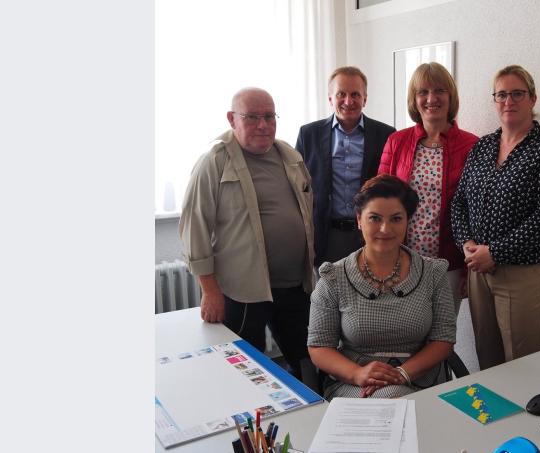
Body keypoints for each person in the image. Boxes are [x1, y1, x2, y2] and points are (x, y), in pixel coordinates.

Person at [179, 87, 315, 379]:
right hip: (242, 292)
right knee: (244, 369)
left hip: (293, 286)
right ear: (232, 119)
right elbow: (194, 229)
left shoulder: (290, 156)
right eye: (252, 117)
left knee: (306, 360)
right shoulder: (214, 161)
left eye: (269, 116)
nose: (263, 125)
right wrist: (210, 291)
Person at [451, 65, 540, 370]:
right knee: (487, 358)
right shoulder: (483, 146)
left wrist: (495, 252)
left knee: (523, 365)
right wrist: (466, 244)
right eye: (501, 94)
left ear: (533, 98)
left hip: (524, 273)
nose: (508, 101)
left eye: (517, 94)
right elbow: (459, 202)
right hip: (479, 270)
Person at [307, 174, 456, 399]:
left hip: (421, 378)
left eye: (396, 219)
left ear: (408, 220)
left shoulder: (433, 273)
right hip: (355, 382)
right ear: (359, 219)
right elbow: (319, 347)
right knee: (392, 401)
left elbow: (443, 340)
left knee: (396, 399)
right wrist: (358, 374)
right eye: (375, 218)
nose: (385, 229)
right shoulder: (333, 277)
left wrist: (402, 374)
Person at [378, 62, 478, 313]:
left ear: (450, 96)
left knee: (442, 332)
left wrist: (468, 269)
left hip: (450, 264)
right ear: (414, 99)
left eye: (439, 91)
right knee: (402, 329)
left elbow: (477, 213)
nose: (431, 99)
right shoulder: (396, 142)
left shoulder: (472, 146)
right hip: (400, 262)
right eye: (423, 92)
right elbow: (378, 202)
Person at [296, 66, 396, 266]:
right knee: (327, 286)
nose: (348, 101)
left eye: (355, 94)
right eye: (341, 94)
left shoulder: (386, 135)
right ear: (330, 98)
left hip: (371, 233)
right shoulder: (309, 134)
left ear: (365, 99)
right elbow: (297, 185)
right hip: (325, 235)